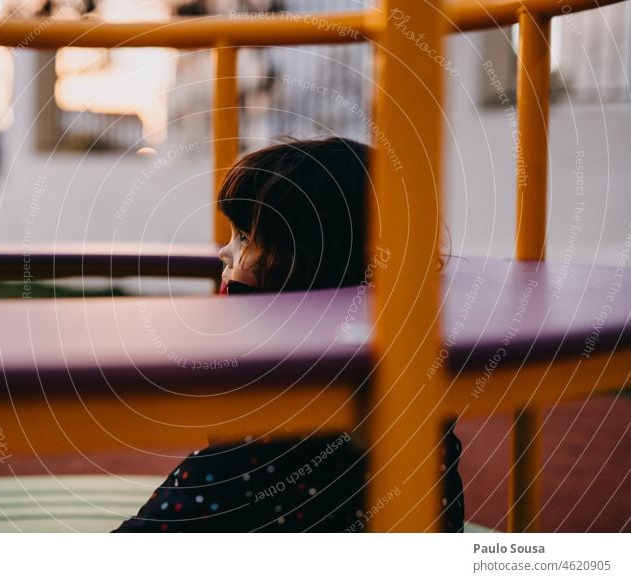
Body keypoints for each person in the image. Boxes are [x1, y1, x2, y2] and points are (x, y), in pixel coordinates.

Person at [112, 137, 464, 532]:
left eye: (244, 238)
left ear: (308, 266)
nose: (224, 254)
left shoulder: (259, 449)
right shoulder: (417, 400)